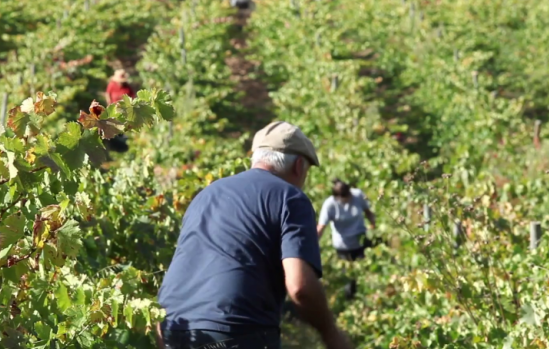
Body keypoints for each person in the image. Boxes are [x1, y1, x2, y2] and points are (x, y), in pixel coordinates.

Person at [155, 121, 353, 349]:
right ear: (299, 166)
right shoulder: (290, 197)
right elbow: (300, 287)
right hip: (234, 330)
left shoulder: (206, 195)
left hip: (172, 328)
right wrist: (331, 334)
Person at [316, 179, 377, 300]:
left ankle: (369, 299)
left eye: (348, 196)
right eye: (343, 198)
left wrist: (373, 225)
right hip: (343, 247)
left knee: (366, 274)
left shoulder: (358, 195)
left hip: (361, 242)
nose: (347, 199)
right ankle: (351, 302)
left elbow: (368, 212)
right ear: (336, 196)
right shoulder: (330, 205)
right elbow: (321, 227)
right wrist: (311, 245)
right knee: (349, 278)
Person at [103, 69, 136, 153]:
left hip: (124, 112)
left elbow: (133, 97)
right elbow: (108, 94)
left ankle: (124, 148)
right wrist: (109, 105)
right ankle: (114, 148)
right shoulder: (112, 85)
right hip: (114, 111)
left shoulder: (127, 87)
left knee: (123, 129)